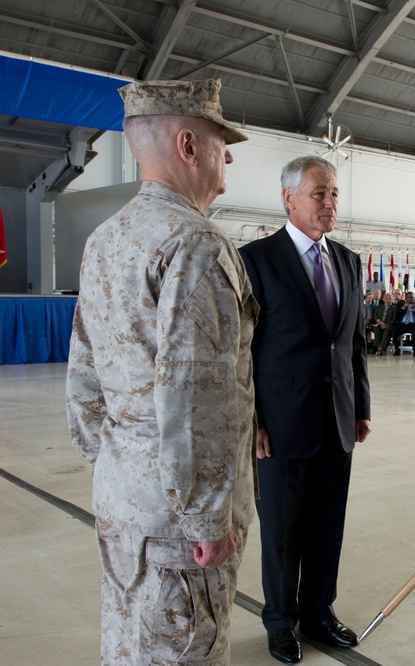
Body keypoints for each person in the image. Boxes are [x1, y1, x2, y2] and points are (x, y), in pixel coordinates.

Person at [66, 79, 256, 664]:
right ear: (187, 145)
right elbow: (196, 398)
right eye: (220, 140)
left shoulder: (107, 238)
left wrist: (121, 467)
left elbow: (84, 374)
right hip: (179, 525)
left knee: (129, 647)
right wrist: (205, 519)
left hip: (124, 496)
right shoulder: (195, 244)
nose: (228, 155)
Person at [239, 156, 372, 664]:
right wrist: (253, 421)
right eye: (320, 193)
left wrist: (359, 405)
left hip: (336, 418)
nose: (330, 203)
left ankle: (319, 611)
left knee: (325, 525)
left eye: (334, 193)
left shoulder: (347, 261)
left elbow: (352, 343)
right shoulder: (255, 260)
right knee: (281, 531)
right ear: (289, 198)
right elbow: (241, 350)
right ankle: (280, 622)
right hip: (280, 423)